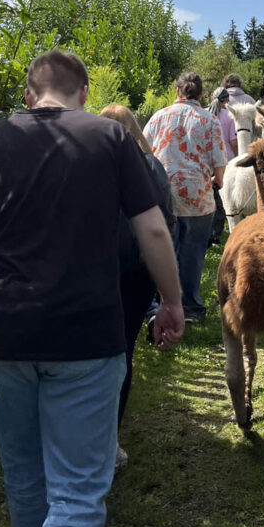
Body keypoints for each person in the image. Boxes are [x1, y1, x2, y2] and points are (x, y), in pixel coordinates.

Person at [0, 50, 184, 527]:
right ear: (82, 91)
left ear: (29, 95)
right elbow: (153, 226)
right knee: (79, 493)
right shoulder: (109, 137)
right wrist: (173, 301)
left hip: (6, 332)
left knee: (25, 477)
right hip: (86, 335)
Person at [99, 104, 176, 470]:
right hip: (136, 275)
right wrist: (166, 293)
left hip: (90, 272)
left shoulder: (82, 165)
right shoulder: (152, 167)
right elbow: (166, 222)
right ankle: (109, 444)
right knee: (121, 353)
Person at [144, 71, 227, 322]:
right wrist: (218, 182)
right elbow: (219, 162)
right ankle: (190, 307)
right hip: (197, 195)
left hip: (162, 192)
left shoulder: (159, 116)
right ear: (201, 94)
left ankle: (157, 304)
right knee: (192, 252)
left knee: (162, 250)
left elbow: (143, 150)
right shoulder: (209, 120)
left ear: (177, 92)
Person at [208, 86, 237, 245]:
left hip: (207, 161)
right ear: (227, 100)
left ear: (212, 98)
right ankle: (215, 234)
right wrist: (237, 154)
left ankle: (206, 231)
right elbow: (233, 141)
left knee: (208, 197)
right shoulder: (230, 116)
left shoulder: (204, 113)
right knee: (221, 199)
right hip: (226, 162)